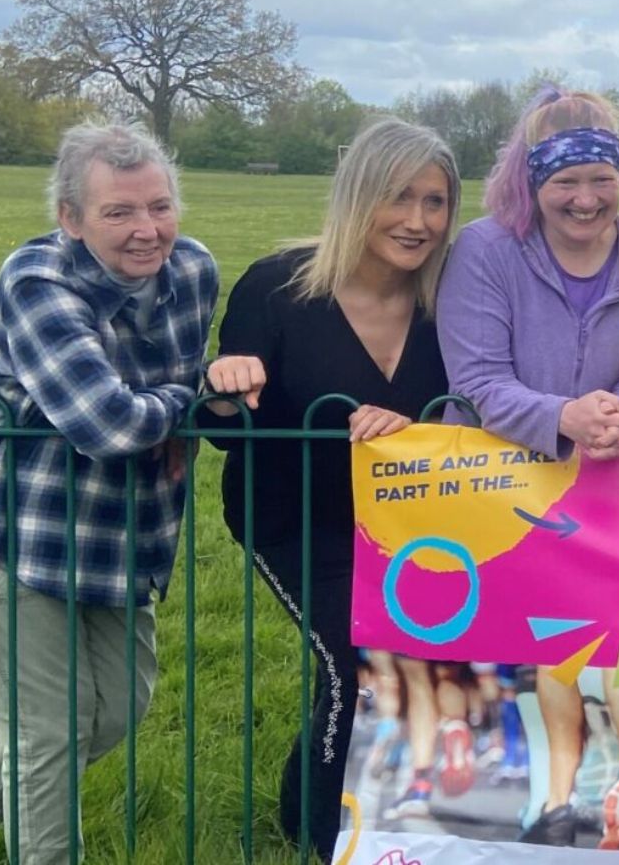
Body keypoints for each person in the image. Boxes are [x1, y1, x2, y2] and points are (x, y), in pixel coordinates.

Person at [195, 117, 459, 858]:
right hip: (294, 519)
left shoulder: (452, 301)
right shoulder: (277, 287)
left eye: (434, 202)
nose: (416, 221)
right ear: (357, 197)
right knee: (354, 659)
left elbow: (466, 411)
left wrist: (413, 424)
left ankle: (295, 805)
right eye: (397, 198)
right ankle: (323, 839)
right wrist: (222, 387)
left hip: (414, 525)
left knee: (385, 660)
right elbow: (223, 427)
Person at [0, 122, 218, 861]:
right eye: (119, 213)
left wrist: (169, 405)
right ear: (70, 220)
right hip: (18, 529)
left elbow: (146, 413)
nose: (148, 231)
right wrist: (189, 400)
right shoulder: (37, 279)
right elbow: (106, 423)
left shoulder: (194, 271)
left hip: (122, 534)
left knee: (113, 714)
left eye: (160, 206)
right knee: (46, 734)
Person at [437, 85, 619, 850]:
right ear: (532, 183)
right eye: (566, 181)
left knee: (608, 636)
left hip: (606, 482)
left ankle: (601, 781)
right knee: (535, 641)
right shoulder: (485, 249)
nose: (586, 198)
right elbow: (476, 377)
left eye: (602, 179)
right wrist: (560, 418)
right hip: (498, 484)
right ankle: (546, 799)